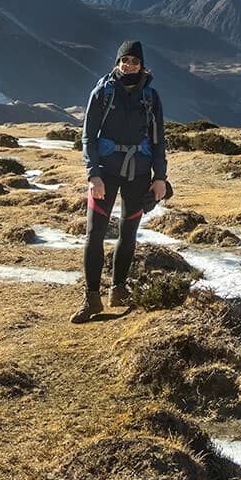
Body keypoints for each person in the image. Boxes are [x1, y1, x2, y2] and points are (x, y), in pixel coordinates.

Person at [72, 40, 168, 324]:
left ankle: (119, 290)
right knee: (95, 234)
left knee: (128, 234)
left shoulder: (151, 97)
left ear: (142, 65)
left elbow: (159, 140)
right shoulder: (103, 93)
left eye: (134, 62)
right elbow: (88, 135)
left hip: (139, 175)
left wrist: (160, 178)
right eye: (124, 61)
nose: (129, 66)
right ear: (117, 63)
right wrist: (93, 174)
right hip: (106, 173)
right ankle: (91, 298)